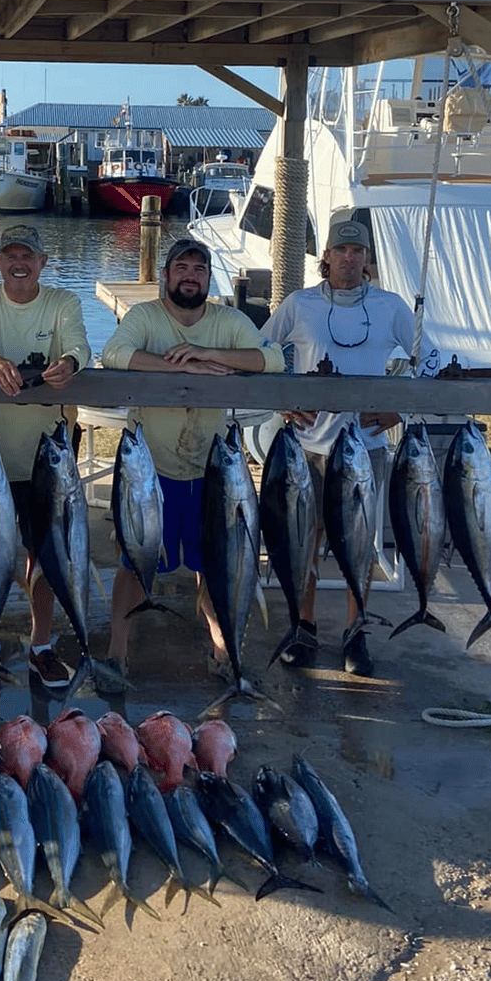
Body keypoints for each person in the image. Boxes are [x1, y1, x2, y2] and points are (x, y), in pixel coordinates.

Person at [100, 237, 285, 687]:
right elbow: (113, 355)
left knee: (213, 562)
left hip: (212, 468)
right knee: (133, 561)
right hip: (150, 469)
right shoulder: (144, 316)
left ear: (208, 277)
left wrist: (208, 354)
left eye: (198, 269)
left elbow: (275, 358)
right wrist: (180, 369)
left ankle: (222, 646)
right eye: (180, 267)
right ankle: (116, 652)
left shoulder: (228, 320)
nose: (190, 275)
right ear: (165, 276)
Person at [261, 213, 417, 676]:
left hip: (365, 449)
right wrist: (284, 403)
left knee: (360, 545)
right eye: (340, 251)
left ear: (368, 259)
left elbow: (425, 359)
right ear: (324, 256)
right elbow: (261, 353)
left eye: (357, 251)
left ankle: (355, 631)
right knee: (305, 541)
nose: (348, 259)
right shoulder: (299, 303)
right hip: (307, 449)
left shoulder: (392, 307)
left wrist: (400, 411)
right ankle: (303, 625)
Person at [0, 223, 91, 689]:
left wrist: (70, 364)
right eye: (10, 255)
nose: (19, 263)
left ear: (42, 262)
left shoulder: (64, 302)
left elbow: (80, 345)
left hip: (48, 457)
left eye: (27, 256)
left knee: (47, 554)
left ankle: (41, 645)